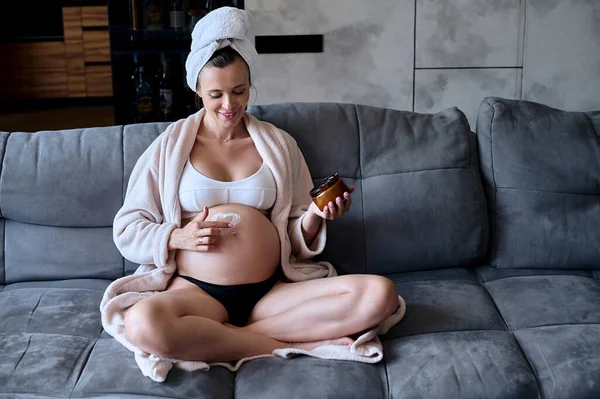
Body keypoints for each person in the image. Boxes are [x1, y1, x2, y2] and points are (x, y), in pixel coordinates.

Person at [114, 7, 399, 365]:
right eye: (216, 94)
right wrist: (176, 237)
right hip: (196, 293)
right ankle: (286, 343)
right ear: (197, 89)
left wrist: (314, 216)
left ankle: (240, 337)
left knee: (380, 294)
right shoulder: (168, 148)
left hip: (271, 293)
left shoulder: (279, 145)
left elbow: (294, 232)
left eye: (239, 90)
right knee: (143, 323)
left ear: (251, 85)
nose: (229, 105)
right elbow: (127, 229)